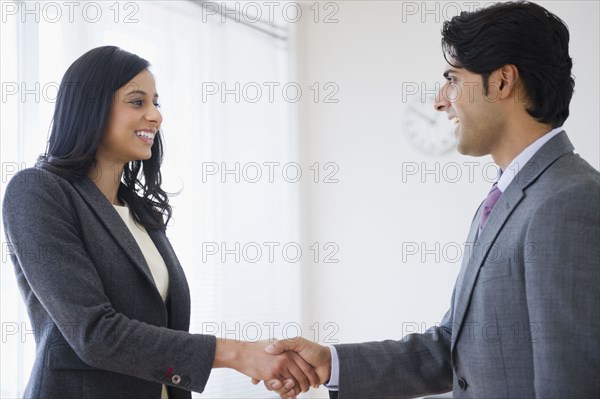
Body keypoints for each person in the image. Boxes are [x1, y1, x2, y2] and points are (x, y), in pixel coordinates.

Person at [258, 2, 600, 398]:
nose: (441, 101)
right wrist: (330, 363)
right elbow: (451, 347)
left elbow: (572, 382)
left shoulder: (568, 201)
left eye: (453, 79)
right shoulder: (509, 197)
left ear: (504, 81)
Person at [2, 46, 320, 398]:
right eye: (137, 102)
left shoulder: (138, 211)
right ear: (89, 106)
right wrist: (239, 353)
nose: (155, 116)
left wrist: (264, 358)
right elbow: (94, 334)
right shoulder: (37, 191)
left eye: (156, 102)